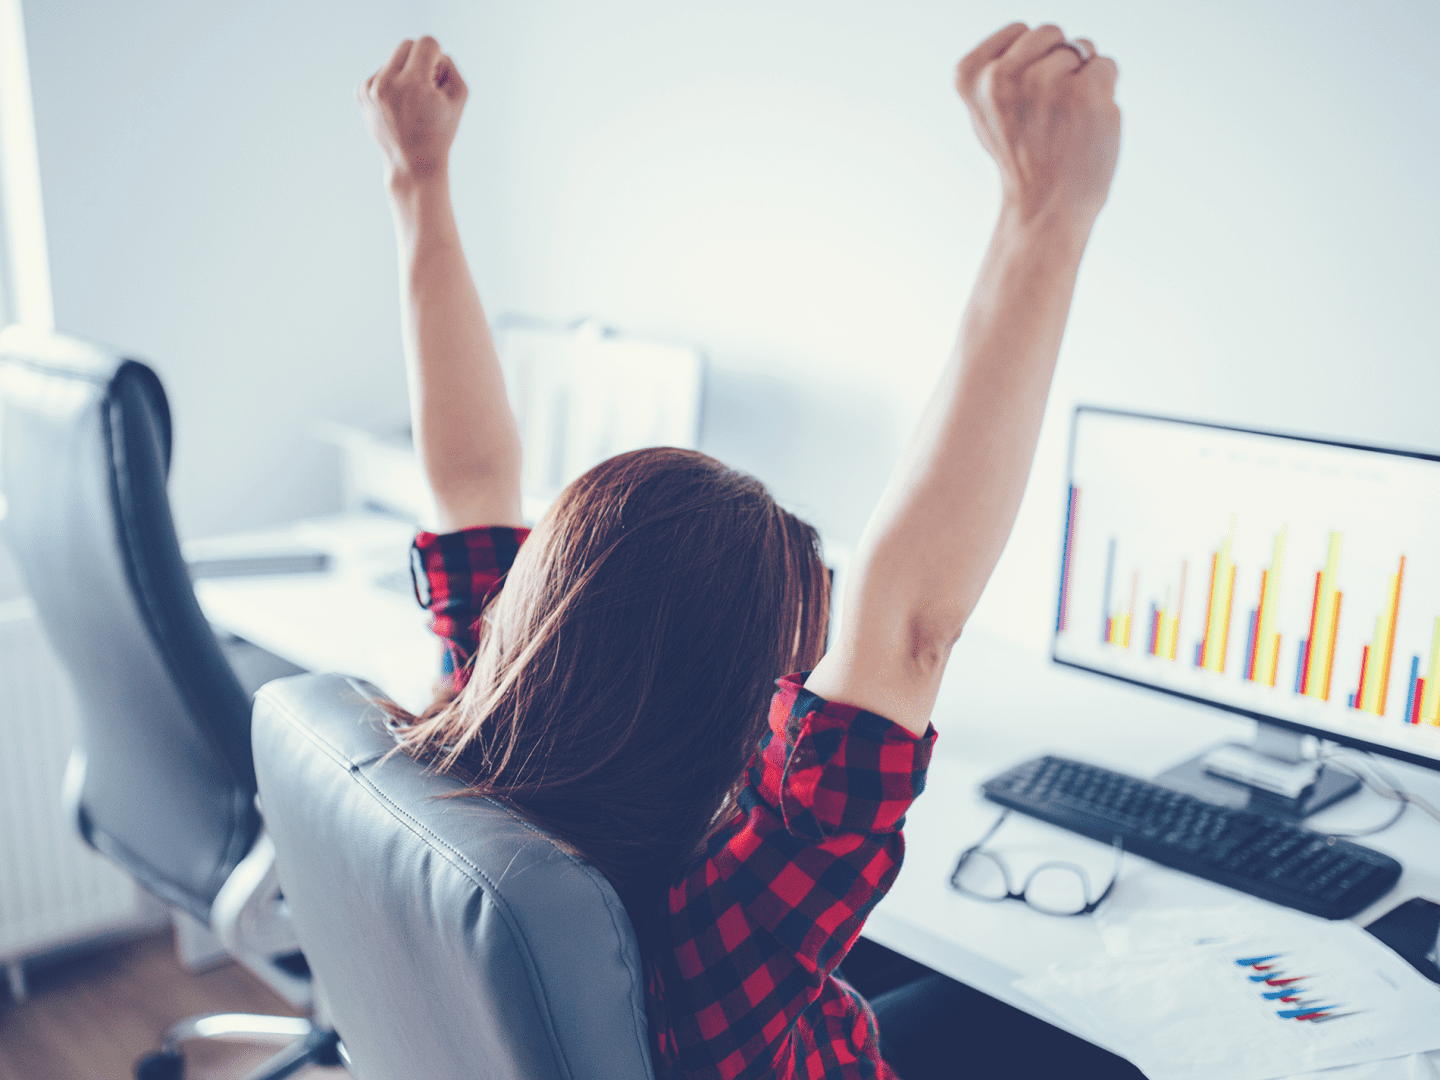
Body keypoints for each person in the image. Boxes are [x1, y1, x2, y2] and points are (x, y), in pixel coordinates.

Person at [356, 22, 1126, 1080]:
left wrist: (420, 179)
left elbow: (469, 479)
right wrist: (1047, 215)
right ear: (733, 726)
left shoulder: (481, 744)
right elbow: (910, 628)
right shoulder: (704, 939)